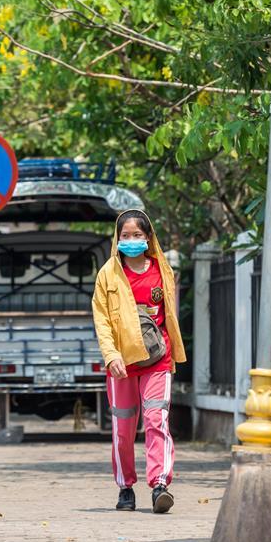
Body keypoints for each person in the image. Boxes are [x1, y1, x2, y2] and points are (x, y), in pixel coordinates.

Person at [92, 209, 187, 514]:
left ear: (148, 237)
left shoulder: (163, 270)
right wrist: (111, 355)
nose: (131, 240)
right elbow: (102, 320)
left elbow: (170, 315)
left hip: (158, 360)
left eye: (137, 235)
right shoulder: (107, 275)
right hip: (122, 363)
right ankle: (125, 487)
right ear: (117, 239)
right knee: (122, 428)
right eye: (125, 236)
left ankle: (160, 485)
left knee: (156, 420)